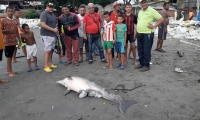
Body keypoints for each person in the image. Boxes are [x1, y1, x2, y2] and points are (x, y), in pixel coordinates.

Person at [135, 0, 163, 72]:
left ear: (147, 3)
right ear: (140, 4)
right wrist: (137, 31)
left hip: (148, 34)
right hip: (139, 33)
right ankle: (141, 63)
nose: (143, 4)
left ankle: (146, 65)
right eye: (142, 3)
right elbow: (139, 22)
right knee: (140, 49)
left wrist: (154, 26)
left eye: (145, 2)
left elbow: (161, 19)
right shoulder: (140, 11)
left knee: (146, 50)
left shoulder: (152, 10)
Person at [1, 7, 20, 77]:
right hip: (6, 41)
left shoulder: (15, 20)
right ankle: (10, 72)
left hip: (14, 41)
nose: (10, 12)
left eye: (11, 11)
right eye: (9, 11)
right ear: (6, 12)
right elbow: (1, 30)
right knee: (9, 57)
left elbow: (17, 31)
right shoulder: (3, 20)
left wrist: (19, 40)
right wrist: (8, 31)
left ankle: (8, 70)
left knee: (11, 56)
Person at [40, 2, 58, 72]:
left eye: (52, 7)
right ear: (46, 7)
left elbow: (53, 24)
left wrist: (56, 31)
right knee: (47, 50)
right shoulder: (44, 14)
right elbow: (43, 25)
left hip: (53, 34)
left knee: (51, 50)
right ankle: (46, 66)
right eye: (49, 7)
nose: (51, 8)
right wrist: (53, 30)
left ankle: (50, 63)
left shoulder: (53, 14)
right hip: (46, 35)